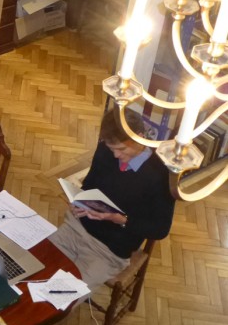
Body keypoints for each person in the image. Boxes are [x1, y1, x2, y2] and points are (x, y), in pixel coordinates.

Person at [49, 108, 175, 290]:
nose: (115, 156)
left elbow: (160, 230)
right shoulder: (105, 150)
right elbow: (90, 184)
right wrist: (78, 202)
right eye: (111, 148)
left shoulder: (161, 176)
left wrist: (121, 220)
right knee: (38, 266)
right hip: (75, 228)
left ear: (139, 137)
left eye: (121, 149)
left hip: (108, 251)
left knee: (62, 293)